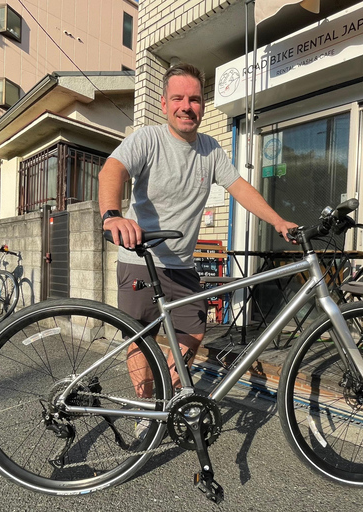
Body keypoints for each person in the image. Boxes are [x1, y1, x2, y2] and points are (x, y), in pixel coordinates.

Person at [98, 63, 296, 402]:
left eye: (194, 99)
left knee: (193, 330)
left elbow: (240, 187)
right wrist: (113, 216)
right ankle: (145, 410)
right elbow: (112, 170)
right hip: (140, 258)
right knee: (140, 339)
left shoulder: (211, 149)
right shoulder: (148, 139)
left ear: (202, 106)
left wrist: (278, 221)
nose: (186, 106)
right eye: (177, 98)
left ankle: (171, 394)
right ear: (164, 104)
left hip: (183, 265)